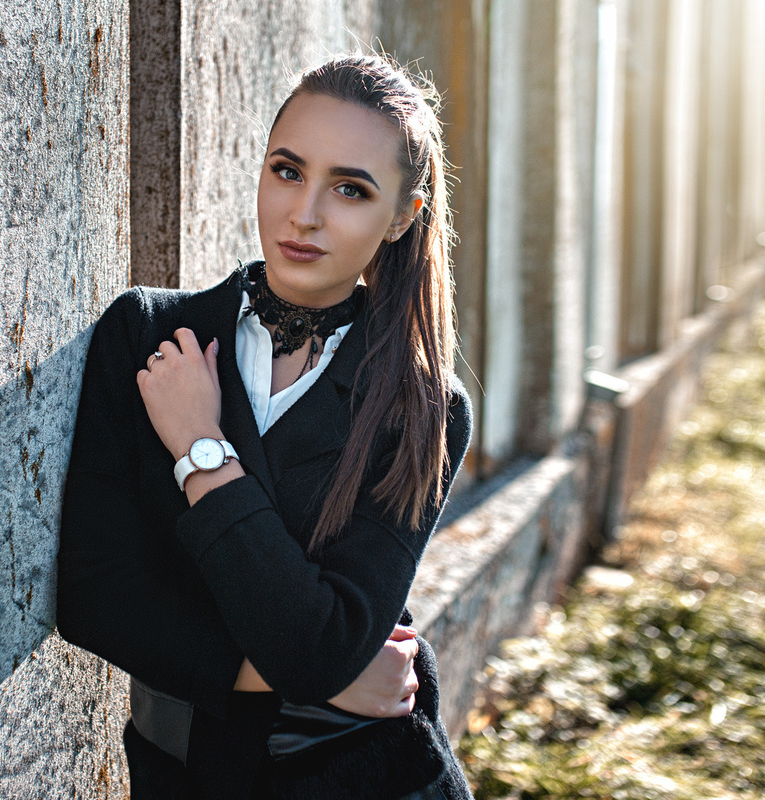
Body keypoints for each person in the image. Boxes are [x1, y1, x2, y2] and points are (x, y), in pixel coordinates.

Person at [57, 54, 474, 800]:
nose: (304, 213)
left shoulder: (423, 406)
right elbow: (95, 598)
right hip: (184, 773)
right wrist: (288, 670)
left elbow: (325, 644)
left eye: (350, 189)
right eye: (288, 170)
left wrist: (200, 450)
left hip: (367, 774)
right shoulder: (148, 337)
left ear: (401, 216)